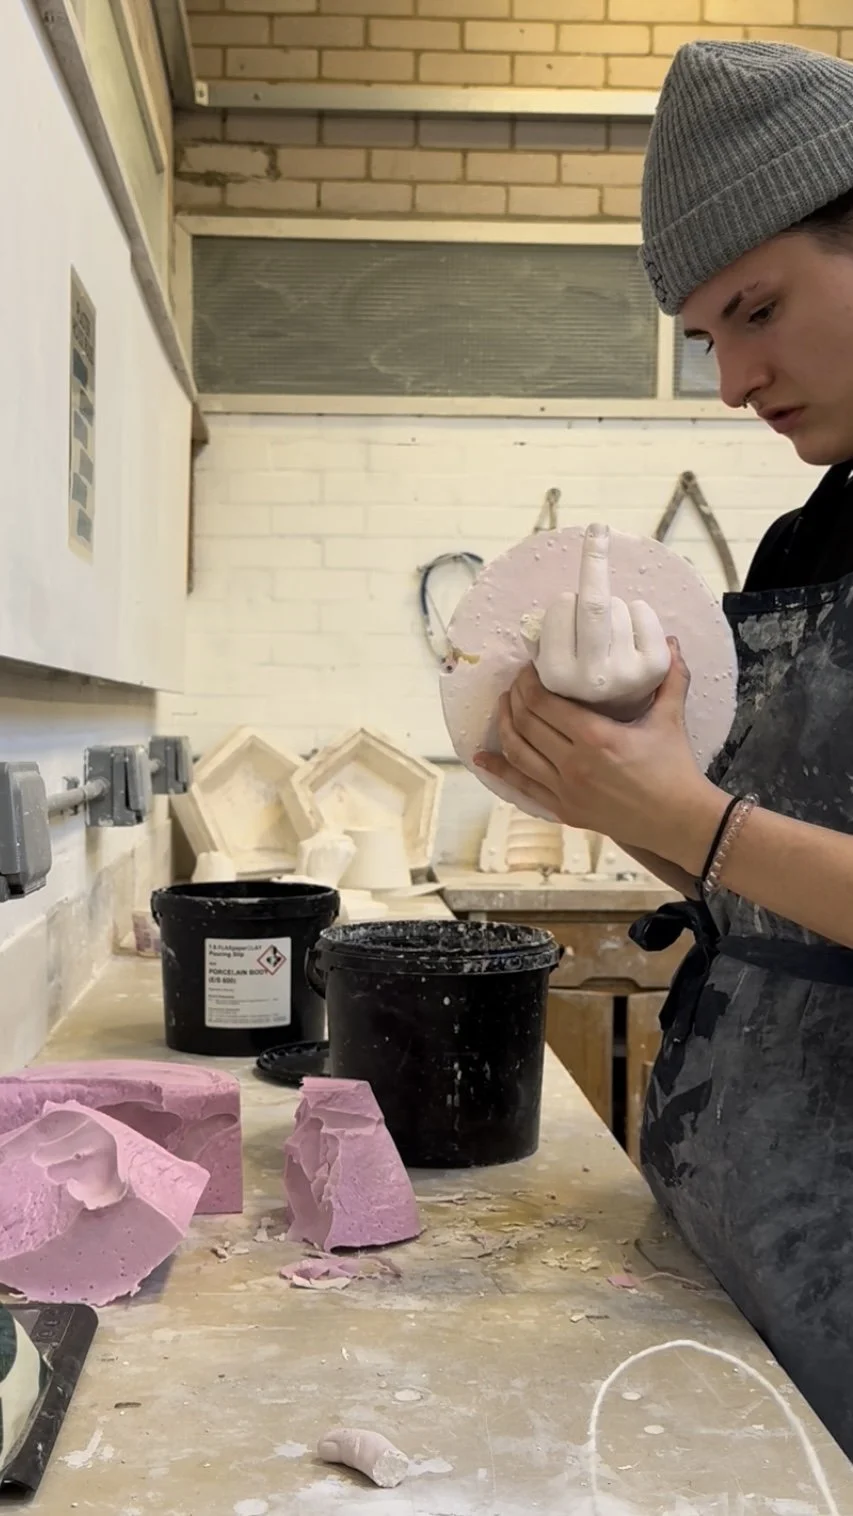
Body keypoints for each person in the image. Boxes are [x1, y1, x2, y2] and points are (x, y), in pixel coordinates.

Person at [474, 39, 853, 1461]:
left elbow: (725, 836)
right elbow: (763, 884)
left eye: (757, 310)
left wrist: (689, 819)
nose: (734, 380)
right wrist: (596, 786)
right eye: (706, 338)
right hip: (748, 1211)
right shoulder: (810, 539)